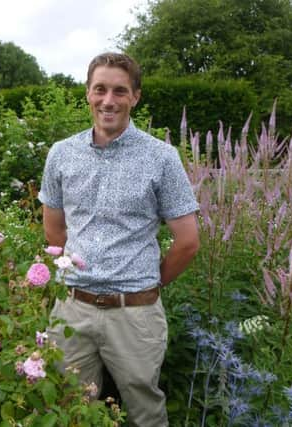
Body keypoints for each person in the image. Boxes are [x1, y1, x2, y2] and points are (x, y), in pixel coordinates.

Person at [38, 52, 199, 427]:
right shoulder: (61, 154)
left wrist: (149, 283)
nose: (108, 100)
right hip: (73, 311)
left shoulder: (161, 158)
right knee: (68, 409)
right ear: (88, 93)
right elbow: (53, 229)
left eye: (119, 91)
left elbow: (188, 241)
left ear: (135, 97)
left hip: (135, 314)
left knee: (145, 411)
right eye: (100, 89)